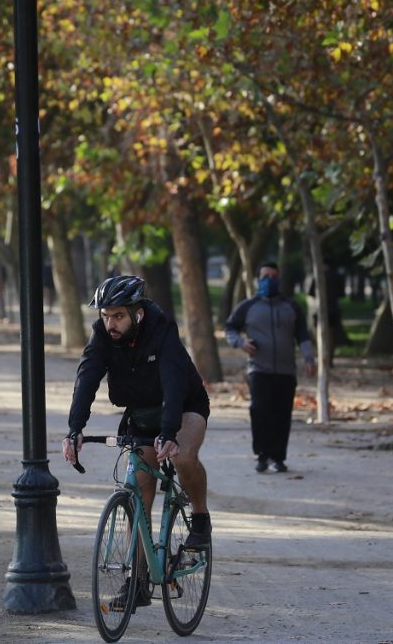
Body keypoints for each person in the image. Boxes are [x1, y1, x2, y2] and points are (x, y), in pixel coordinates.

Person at [63, 275, 211, 609]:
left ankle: (200, 519)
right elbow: (87, 376)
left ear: (137, 313)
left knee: (185, 456)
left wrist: (169, 432)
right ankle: (138, 582)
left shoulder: (161, 328)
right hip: (142, 410)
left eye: (118, 316)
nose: (110, 323)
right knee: (139, 494)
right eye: (105, 316)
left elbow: (174, 382)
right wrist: (75, 429)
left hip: (185, 405)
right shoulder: (103, 334)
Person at [226, 261, 316, 474]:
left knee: (282, 414)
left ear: (279, 279)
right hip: (258, 370)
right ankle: (262, 455)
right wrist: (241, 343)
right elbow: (230, 328)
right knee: (260, 411)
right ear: (258, 279)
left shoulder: (291, 307)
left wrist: (309, 359)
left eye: (273, 276)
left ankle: (278, 457)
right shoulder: (247, 306)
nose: (269, 280)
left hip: (286, 371)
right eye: (265, 276)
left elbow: (302, 335)